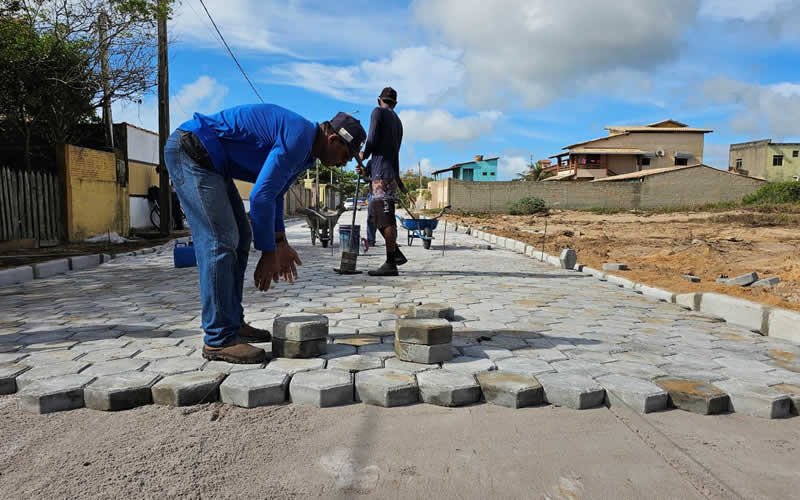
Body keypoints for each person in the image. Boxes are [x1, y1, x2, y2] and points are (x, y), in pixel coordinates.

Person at [165, 105, 366, 363]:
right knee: (220, 240)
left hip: (213, 161)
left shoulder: (307, 152)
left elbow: (275, 193)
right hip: (191, 150)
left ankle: (232, 323)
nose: (344, 163)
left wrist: (280, 241)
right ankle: (218, 339)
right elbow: (260, 197)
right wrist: (268, 253)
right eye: (346, 155)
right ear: (333, 139)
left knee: (241, 238)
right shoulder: (299, 137)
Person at [358, 87, 407, 276]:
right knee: (374, 216)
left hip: (383, 176)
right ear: (395, 103)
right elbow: (386, 150)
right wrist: (368, 168)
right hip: (387, 174)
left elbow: (372, 139)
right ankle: (395, 253)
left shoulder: (377, 112)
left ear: (379, 100)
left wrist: (363, 155)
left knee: (385, 219)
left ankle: (390, 263)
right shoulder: (398, 122)